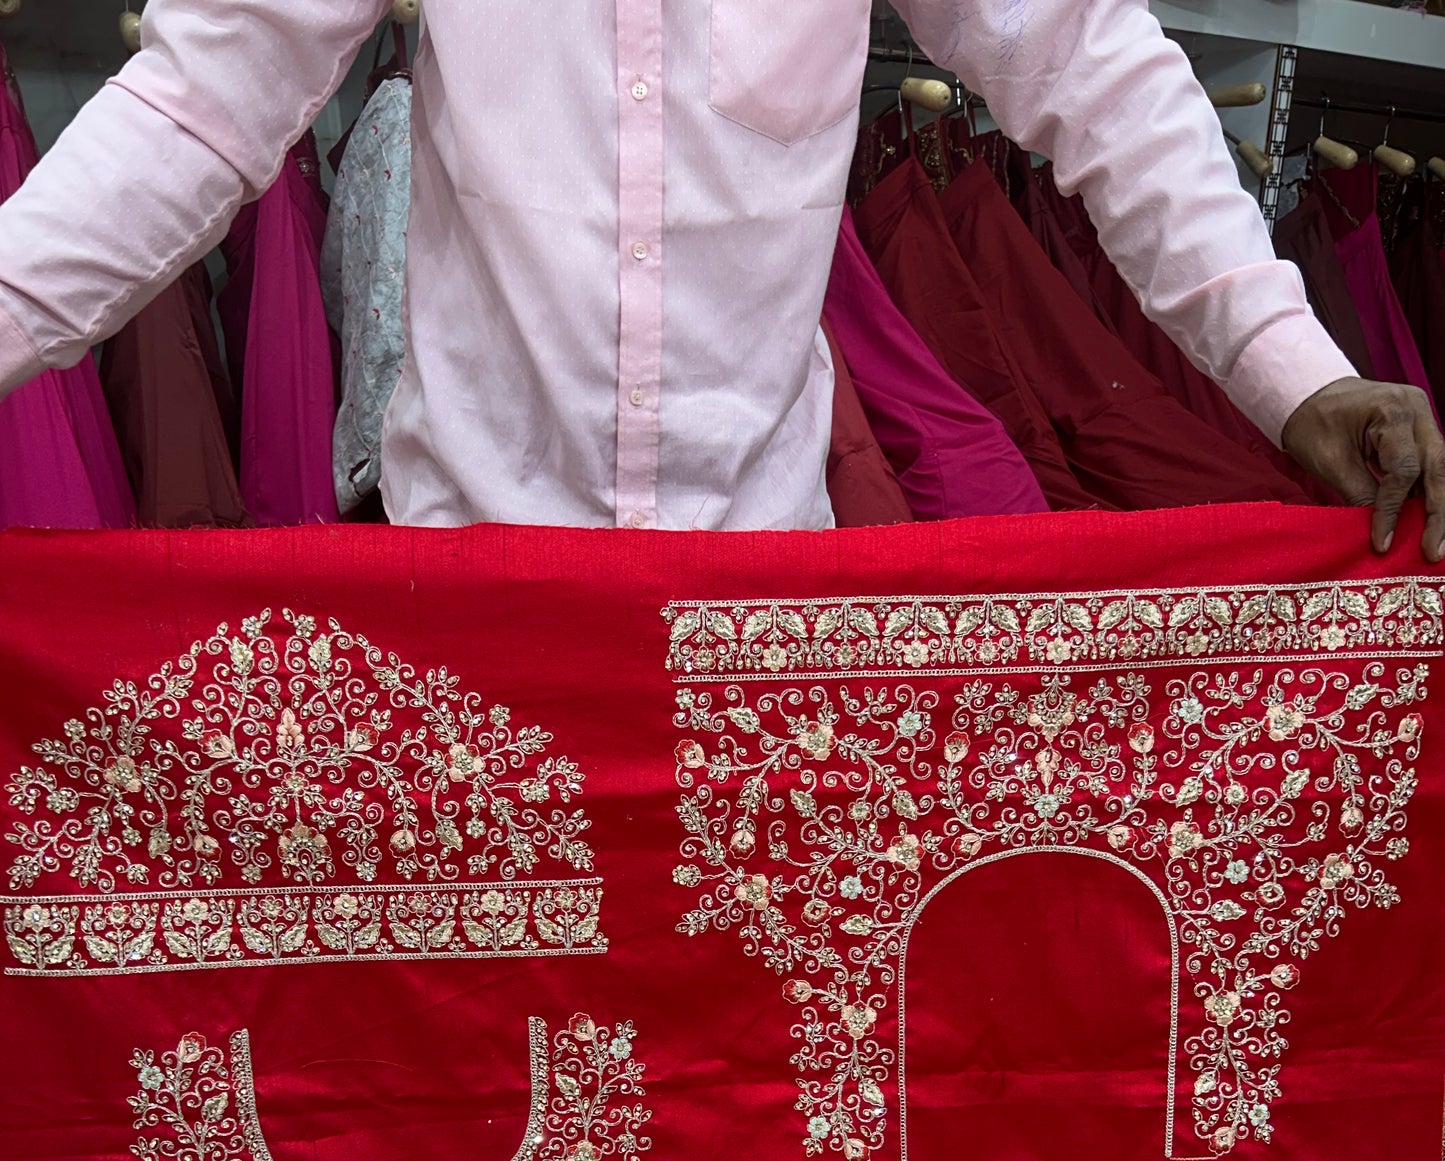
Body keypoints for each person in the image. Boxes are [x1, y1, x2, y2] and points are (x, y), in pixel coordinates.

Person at [0, 0, 1440, 556]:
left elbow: (1094, 78)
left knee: (754, 1120)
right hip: (478, 589)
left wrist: (1288, 364)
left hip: (764, 608)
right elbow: (194, 114)